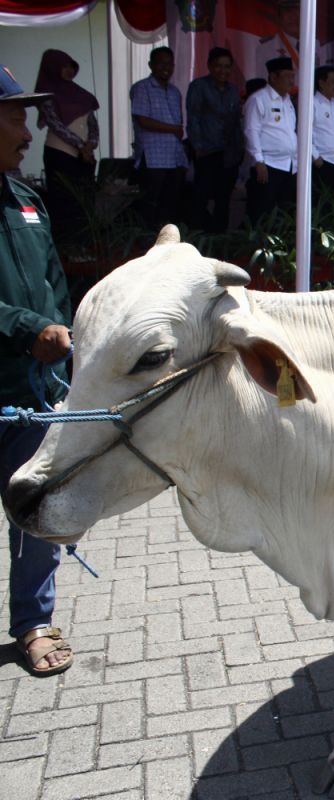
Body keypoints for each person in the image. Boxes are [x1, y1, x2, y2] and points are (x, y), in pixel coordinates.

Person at [0, 66, 75, 676]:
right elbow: (29, 317)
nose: (28, 131)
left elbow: (54, 288)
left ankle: (32, 622)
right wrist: (28, 331)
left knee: (35, 507)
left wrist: (65, 341)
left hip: (32, 395)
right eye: (15, 116)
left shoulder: (28, 201)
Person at [34, 50, 99, 248]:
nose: (69, 70)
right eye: (64, 66)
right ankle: (64, 248)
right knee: (62, 202)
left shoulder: (80, 93)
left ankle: (82, 247)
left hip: (84, 156)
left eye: (72, 66)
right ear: (53, 67)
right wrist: (80, 146)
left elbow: (92, 123)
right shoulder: (46, 93)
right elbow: (56, 125)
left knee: (82, 204)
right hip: (60, 153)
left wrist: (91, 144)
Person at [186, 47, 242, 233]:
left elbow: (236, 122)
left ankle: (219, 240)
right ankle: (196, 239)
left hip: (229, 154)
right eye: (218, 66)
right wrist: (198, 148)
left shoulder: (233, 90)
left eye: (227, 66)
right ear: (209, 66)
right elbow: (193, 119)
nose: (222, 71)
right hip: (207, 152)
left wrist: (238, 151)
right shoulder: (198, 86)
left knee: (223, 199)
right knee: (200, 198)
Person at [130, 47, 187, 228]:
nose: (167, 68)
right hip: (153, 157)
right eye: (162, 63)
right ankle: (145, 242)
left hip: (175, 156)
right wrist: (172, 129)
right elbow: (143, 120)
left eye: (170, 64)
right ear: (151, 65)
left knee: (170, 204)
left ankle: (166, 243)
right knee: (150, 202)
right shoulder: (141, 88)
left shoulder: (174, 91)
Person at [243, 57, 298, 225]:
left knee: (285, 211)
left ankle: (280, 247)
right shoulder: (259, 99)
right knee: (262, 210)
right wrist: (259, 161)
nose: (291, 80)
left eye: (292, 76)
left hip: (289, 165)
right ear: (273, 77)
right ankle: (259, 247)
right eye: (287, 76)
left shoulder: (288, 100)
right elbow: (251, 130)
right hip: (268, 165)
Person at [311, 66, 334, 201]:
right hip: (323, 163)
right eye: (333, 82)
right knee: (323, 204)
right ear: (321, 83)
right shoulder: (312, 104)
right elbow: (303, 133)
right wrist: (315, 156)